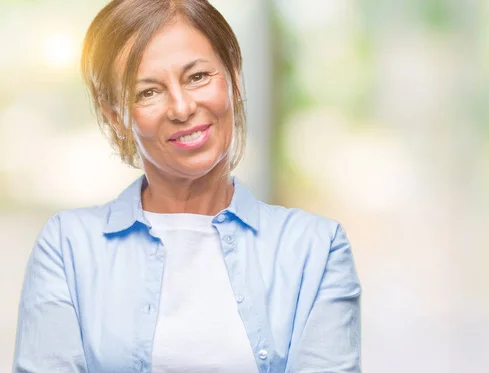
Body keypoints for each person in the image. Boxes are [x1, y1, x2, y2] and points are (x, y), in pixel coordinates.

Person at [12, 1, 361, 372]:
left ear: (234, 76)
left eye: (197, 77)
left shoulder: (316, 250)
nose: (181, 108)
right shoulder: (68, 249)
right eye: (148, 92)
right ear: (116, 116)